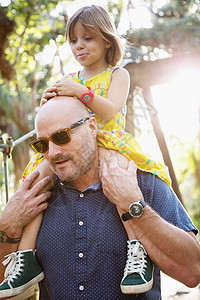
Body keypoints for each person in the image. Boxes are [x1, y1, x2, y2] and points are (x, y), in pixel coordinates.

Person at [0, 4, 174, 297]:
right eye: (73, 40)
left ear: (106, 40)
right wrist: (51, 99)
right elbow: (59, 116)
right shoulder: (71, 77)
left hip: (109, 141)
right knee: (36, 182)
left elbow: (109, 110)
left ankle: (137, 252)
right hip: (76, 143)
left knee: (122, 185)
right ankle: (26, 258)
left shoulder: (117, 74)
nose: (79, 46)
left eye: (87, 38)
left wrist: (77, 90)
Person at [0, 96, 199, 300]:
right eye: (42, 144)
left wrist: (134, 206)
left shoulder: (142, 182)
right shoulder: (31, 200)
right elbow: (4, 291)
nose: (52, 153)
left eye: (61, 136)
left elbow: (193, 271)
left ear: (92, 127)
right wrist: (6, 227)